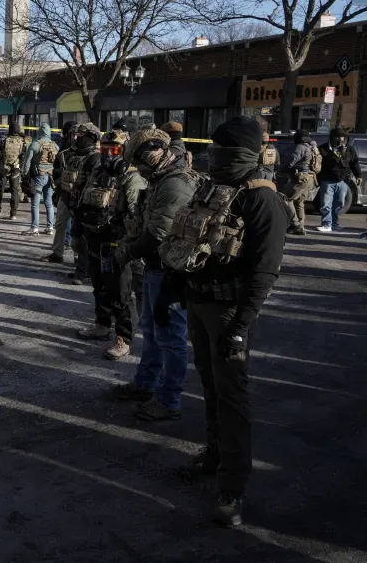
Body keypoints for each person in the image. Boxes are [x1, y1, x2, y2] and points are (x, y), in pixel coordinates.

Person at [160, 116, 287, 526]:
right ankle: (214, 457)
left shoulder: (263, 200)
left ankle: (232, 488)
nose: (214, 158)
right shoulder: (214, 189)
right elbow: (190, 241)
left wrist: (240, 326)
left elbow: (264, 272)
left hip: (229, 311)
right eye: (213, 151)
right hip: (199, 303)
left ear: (245, 155)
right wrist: (177, 290)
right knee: (211, 389)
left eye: (223, 153)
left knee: (233, 399)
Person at [111, 128, 200, 421]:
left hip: (170, 273)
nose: (141, 170)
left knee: (170, 338)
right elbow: (145, 222)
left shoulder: (175, 184)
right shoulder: (161, 180)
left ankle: (168, 399)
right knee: (151, 332)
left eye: (142, 162)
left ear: (154, 154)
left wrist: (128, 251)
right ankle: (146, 384)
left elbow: (159, 232)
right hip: (155, 268)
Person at [74, 130, 144, 361]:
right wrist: (77, 233)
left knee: (121, 292)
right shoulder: (96, 170)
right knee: (99, 285)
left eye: (113, 150)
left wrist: (126, 245)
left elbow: (136, 215)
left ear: (124, 151)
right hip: (94, 239)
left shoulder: (132, 177)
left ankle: (124, 338)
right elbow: (81, 200)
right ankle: (101, 325)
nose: (107, 154)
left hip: (117, 243)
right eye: (104, 149)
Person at [64, 123, 102, 282]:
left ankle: (82, 272)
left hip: (89, 204)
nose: (78, 138)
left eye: (82, 135)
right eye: (77, 135)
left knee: (85, 240)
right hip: (77, 200)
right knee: (78, 238)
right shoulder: (76, 154)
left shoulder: (95, 157)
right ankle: (83, 270)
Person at [44, 122, 78, 263]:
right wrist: (58, 185)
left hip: (80, 197)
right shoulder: (64, 153)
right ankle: (57, 253)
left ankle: (79, 258)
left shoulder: (91, 155)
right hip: (65, 194)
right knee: (60, 225)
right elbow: (56, 171)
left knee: (79, 228)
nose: (75, 138)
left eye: (78, 135)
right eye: (73, 134)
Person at [316, 127, 361, 232]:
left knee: (339, 203)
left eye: (342, 137)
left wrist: (358, 175)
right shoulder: (324, 148)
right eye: (337, 137)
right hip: (327, 180)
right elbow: (319, 165)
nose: (340, 139)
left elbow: (354, 163)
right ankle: (326, 224)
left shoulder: (349, 149)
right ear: (332, 138)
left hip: (343, 181)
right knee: (326, 204)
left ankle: (334, 223)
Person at [280, 129, 321, 236]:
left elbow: (291, 161)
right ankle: (300, 225)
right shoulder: (314, 148)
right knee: (299, 202)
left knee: (287, 199)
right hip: (311, 178)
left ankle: (296, 225)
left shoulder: (301, 147)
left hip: (302, 178)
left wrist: (281, 169)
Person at [21, 122, 59, 236]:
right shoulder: (54, 145)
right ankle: (50, 227)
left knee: (35, 203)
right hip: (51, 176)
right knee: (49, 202)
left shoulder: (35, 144)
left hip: (38, 176)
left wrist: (25, 175)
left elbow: (27, 162)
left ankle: (34, 228)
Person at [0, 122, 27, 221]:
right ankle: (13, 214)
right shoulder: (22, 141)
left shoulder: (2, 139)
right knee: (14, 191)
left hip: (3, 168)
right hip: (15, 169)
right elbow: (23, 156)